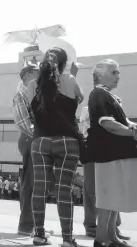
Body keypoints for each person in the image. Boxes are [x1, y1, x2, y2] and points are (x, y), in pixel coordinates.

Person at [27, 47, 83, 247]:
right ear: (64, 63)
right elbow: (79, 98)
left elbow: (32, 112)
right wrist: (71, 76)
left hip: (40, 141)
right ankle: (67, 239)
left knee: (39, 189)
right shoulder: (70, 81)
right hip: (67, 142)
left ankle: (39, 234)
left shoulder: (33, 85)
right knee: (64, 190)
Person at [86, 59, 136, 247]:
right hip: (108, 155)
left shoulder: (106, 95)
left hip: (115, 154)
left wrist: (131, 127)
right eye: (114, 72)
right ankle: (102, 239)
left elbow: (119, 123)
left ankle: (110, 237)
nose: (118, 76)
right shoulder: (99, 94)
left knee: (114, 198)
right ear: (100, 75)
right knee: (108, 198)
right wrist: (132, 132)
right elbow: (107, 123)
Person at [13, 63, 58, 236]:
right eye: (38, 72)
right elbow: (23, 122)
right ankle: (26, 226)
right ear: (29, 73)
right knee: (31, 183)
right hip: (31, 138)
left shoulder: (38, 92)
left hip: (40, 138)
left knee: (41, 184)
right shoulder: (22, 93)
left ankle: (36, 225)